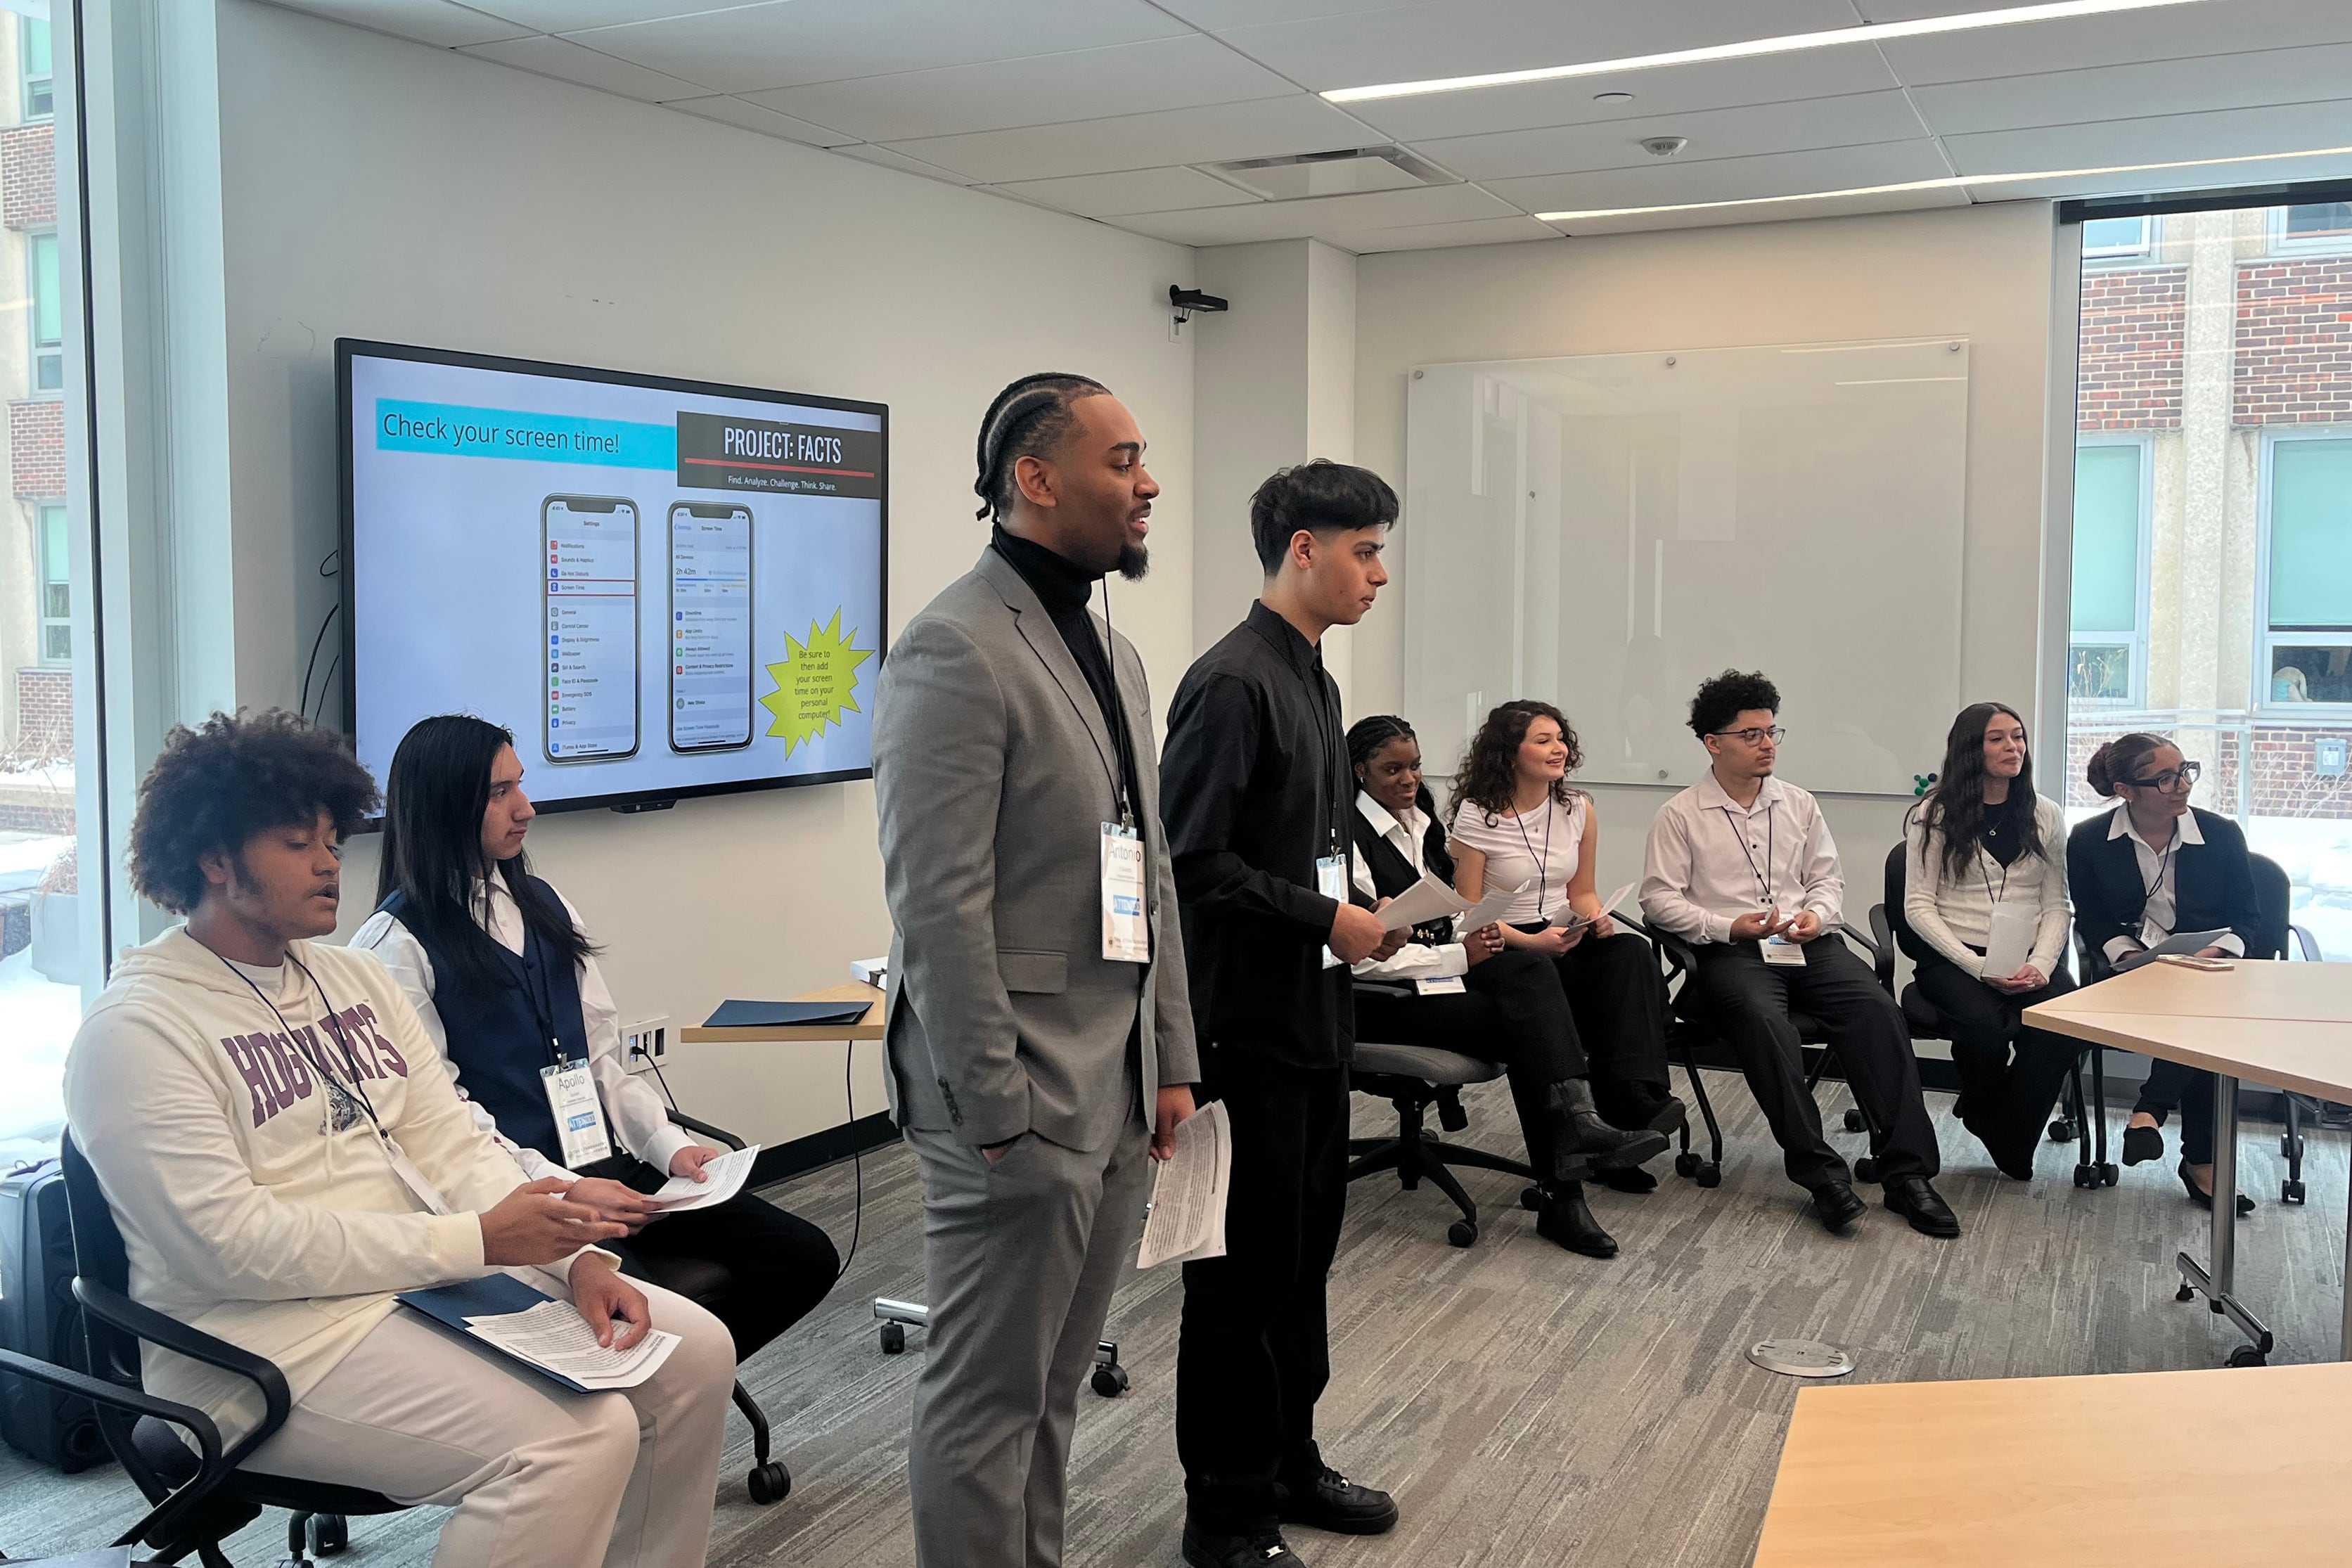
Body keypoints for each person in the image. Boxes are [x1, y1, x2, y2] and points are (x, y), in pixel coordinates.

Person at [63, 709, 734, 1568]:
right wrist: (477, 1241)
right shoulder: (138, 1030)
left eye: (332, 838)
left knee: (694, 1355)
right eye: (295, 843)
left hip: (415, 1287)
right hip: (262, 1346)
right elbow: (225, 1246)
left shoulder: (353, 980)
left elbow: (451, 1141)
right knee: (576, 1441)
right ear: (216, 859)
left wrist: (576, 1262)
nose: (328, 861)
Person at [872, 372, 1198, 1568]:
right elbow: (938, 906)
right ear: (1037, 480)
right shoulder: (952, 649)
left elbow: (1147, 869)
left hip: (1113, 1083)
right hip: (1012, 1100)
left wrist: (1171, 1056)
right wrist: (995, 1110)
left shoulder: (1113, 651)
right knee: (985, 1399)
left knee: (1053, 1388)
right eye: (1123, 462)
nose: (1148, 482)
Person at [354, 713, 838, 1367]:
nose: (526, 808)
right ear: (443, 804)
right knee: (658, 1320)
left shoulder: (546, 904)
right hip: (522, 1194)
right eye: (500, 793)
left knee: (802, 1257)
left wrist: (671, 1150)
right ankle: (651, 1401)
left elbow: (602, 1060)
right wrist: (565, 1190)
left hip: (607, 1163)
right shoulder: (393, 948)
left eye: (520, 786)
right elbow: (444, 1122)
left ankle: (667, 1403)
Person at [1162, 461, 1404, 1568]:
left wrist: (1363, 907)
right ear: (1302, 548)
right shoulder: (1230, 683)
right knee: (1238, 1282)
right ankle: (1224, 1512)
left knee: (1303, 1263)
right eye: (1363, 550)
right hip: (1242, 1032)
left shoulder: (1315, 678)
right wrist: (1324, 912)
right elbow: (1191, 865)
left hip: (1315, 1017)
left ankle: (1287, 1458)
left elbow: (1302, 841)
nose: (1378, 572)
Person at [1639, 670, 1958, 1238]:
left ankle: (1906, 1173)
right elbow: (1658, 901)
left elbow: (1827, 881)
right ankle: (1821, 1175)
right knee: (1767, 1025)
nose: (1767, 745)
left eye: (1771, 732)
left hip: (1806, 943)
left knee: (1876, 1011)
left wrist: (1818, 915)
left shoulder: (1800, 804)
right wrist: (1724, 924)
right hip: (1730, 953)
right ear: (1713, 743)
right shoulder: (1681, 814)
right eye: (1751, 734)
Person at [1345, 714, 1666, 1258]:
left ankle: (1577, 1145)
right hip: (1380, 998)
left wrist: (1469, 937)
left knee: (1534, 981)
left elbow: (1438, 914)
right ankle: (1567, 1176)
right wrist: (1456, 952)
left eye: (1416, 766)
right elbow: (1358, 958)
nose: (1409, 779)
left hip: (1435, 976)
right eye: (1391, 769)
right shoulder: (1347, 839)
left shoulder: (1419, 819)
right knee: (1530, 1018)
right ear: (1359, 772)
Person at [1444, 701, 1683, 1153]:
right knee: (1552, 976)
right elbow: (1468, 915)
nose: (1559, 749)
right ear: (1510, 754)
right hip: (1501, 943)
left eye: (1561, 739)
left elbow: (1582, 891)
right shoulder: (1479, 814)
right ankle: (1598, 1119)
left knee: (1630, 954)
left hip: (1560, 931)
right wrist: (1532, 943)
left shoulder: (1578, 808)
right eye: (1543, 741)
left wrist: (1596, 917)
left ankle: (1633, 1099)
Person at [2067, 732, 2263, 1212]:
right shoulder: (2090, 840)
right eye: (2165, 778)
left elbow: (2248, 919)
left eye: (2184, 771)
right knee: (2197, 1018)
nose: (2182, 785)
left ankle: (2150, 1111)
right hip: (2133, 972)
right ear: (2125, 790)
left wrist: (2213, 955)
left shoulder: (2219, 835)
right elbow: (2089, 917)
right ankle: (2198, 1160)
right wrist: (2127, 957)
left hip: (2210, 972)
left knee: (2200, 1011)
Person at [1899, 702, 2078, 1179]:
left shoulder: (2044, 813)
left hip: (2027, 955)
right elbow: (1917, 908)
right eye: (1996, 739)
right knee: (1986, 1026)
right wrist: (1976, 967)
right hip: (1953, 957)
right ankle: (1991, 1115)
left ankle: (2005, 1127)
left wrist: (2041, 964)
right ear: (1968, 750)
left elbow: (2057, 904)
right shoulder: (1932, 814)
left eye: (2017, 737)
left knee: (2064, 1020)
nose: (2012, 748)